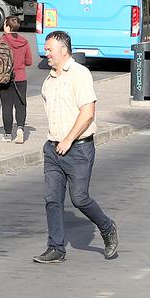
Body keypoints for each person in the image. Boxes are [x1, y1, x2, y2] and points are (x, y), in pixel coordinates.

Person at [34, 30, 119, 264]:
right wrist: (56, 141)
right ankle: (56, 248)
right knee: (52, 200)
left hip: (79, 149)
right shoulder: (49, 80)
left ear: (63, 50)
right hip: (53, 149)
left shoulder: (80, 74)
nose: (46, 53)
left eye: (50, 49)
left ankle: (107, 227)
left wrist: (69, 139)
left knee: (79, 199)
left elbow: (88, 113)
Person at [0, 15, 35, 143]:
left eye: (4, 24)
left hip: (3, 78)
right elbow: (29, 61)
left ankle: (8, 134)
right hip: (20, 78)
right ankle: (20, 128)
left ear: (8, 27)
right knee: (21, 105)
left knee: (6, 105)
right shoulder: (24, 42)